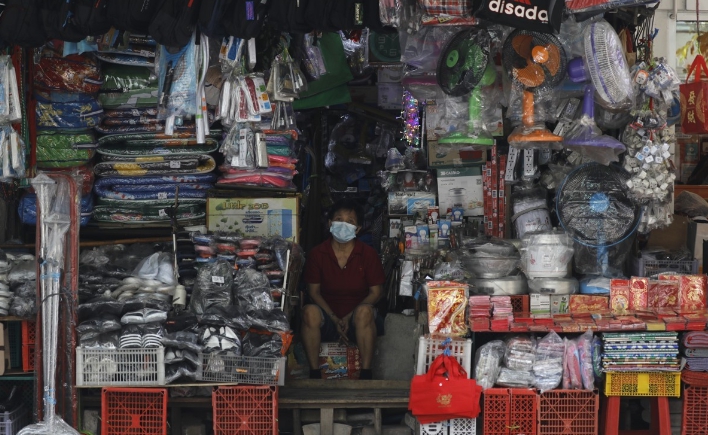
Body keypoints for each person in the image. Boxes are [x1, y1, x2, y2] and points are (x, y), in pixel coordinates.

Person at [302, 199, 385, 380]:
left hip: (359, 322)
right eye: (339, 219)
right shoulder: (318, 254)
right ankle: (315, 374)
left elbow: (376, 292)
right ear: (330, 224)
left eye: (350, 221)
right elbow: (313, 292)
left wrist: (349, 316)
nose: (343, 224)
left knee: (364, 312)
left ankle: (366, 374)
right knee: (309, 312)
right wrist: (333, 317)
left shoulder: (367, 254)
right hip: (328, 319)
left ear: (358, 229)